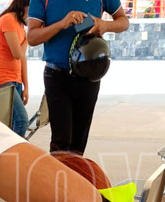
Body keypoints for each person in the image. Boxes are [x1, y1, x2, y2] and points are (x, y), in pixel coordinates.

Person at [28, 0, 128, 154]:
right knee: (61, 143)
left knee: (79, 143)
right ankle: (60, 169)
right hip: (57, 76)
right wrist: (61, 24)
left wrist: (105, 25)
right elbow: (32, 37)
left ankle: (75, 168)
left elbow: (124, 21)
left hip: (89, 74)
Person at [0, 0, 30, 137]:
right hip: (3, 79)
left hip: (15, 79)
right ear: (23, 6)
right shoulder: (8, 20)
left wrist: (26, 86)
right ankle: (15, 147)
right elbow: (17, 54)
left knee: (14, 122)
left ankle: (11, 147)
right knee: (22, 121)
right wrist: (28, 39)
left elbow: (23, 58)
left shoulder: (20, 24)